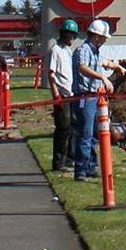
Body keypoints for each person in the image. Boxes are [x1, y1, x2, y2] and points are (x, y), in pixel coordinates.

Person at [72, 19, 126, 181]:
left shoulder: (95, 51)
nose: (104, 40)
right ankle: (81, 170)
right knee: (86, 133)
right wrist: (103, 78)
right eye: (103, 37)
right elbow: (82, 67)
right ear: (96, 36)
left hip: (95, 97)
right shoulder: (83, 50)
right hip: (85, 96)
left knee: (96, 133)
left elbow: (101, 62)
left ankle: (91, 166)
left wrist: (115, 66)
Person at [48, 19, 80, 171]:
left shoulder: (69, 51)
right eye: (70, 35)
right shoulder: (56, 50)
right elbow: (51, 74)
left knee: (74, 127)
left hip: (71, 93)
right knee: (63, 128)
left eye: (73, 36)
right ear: (65, 35)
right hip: (61, 94)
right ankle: (58, 161)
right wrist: (56, 94)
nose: (72, 39)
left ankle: (70, 158)